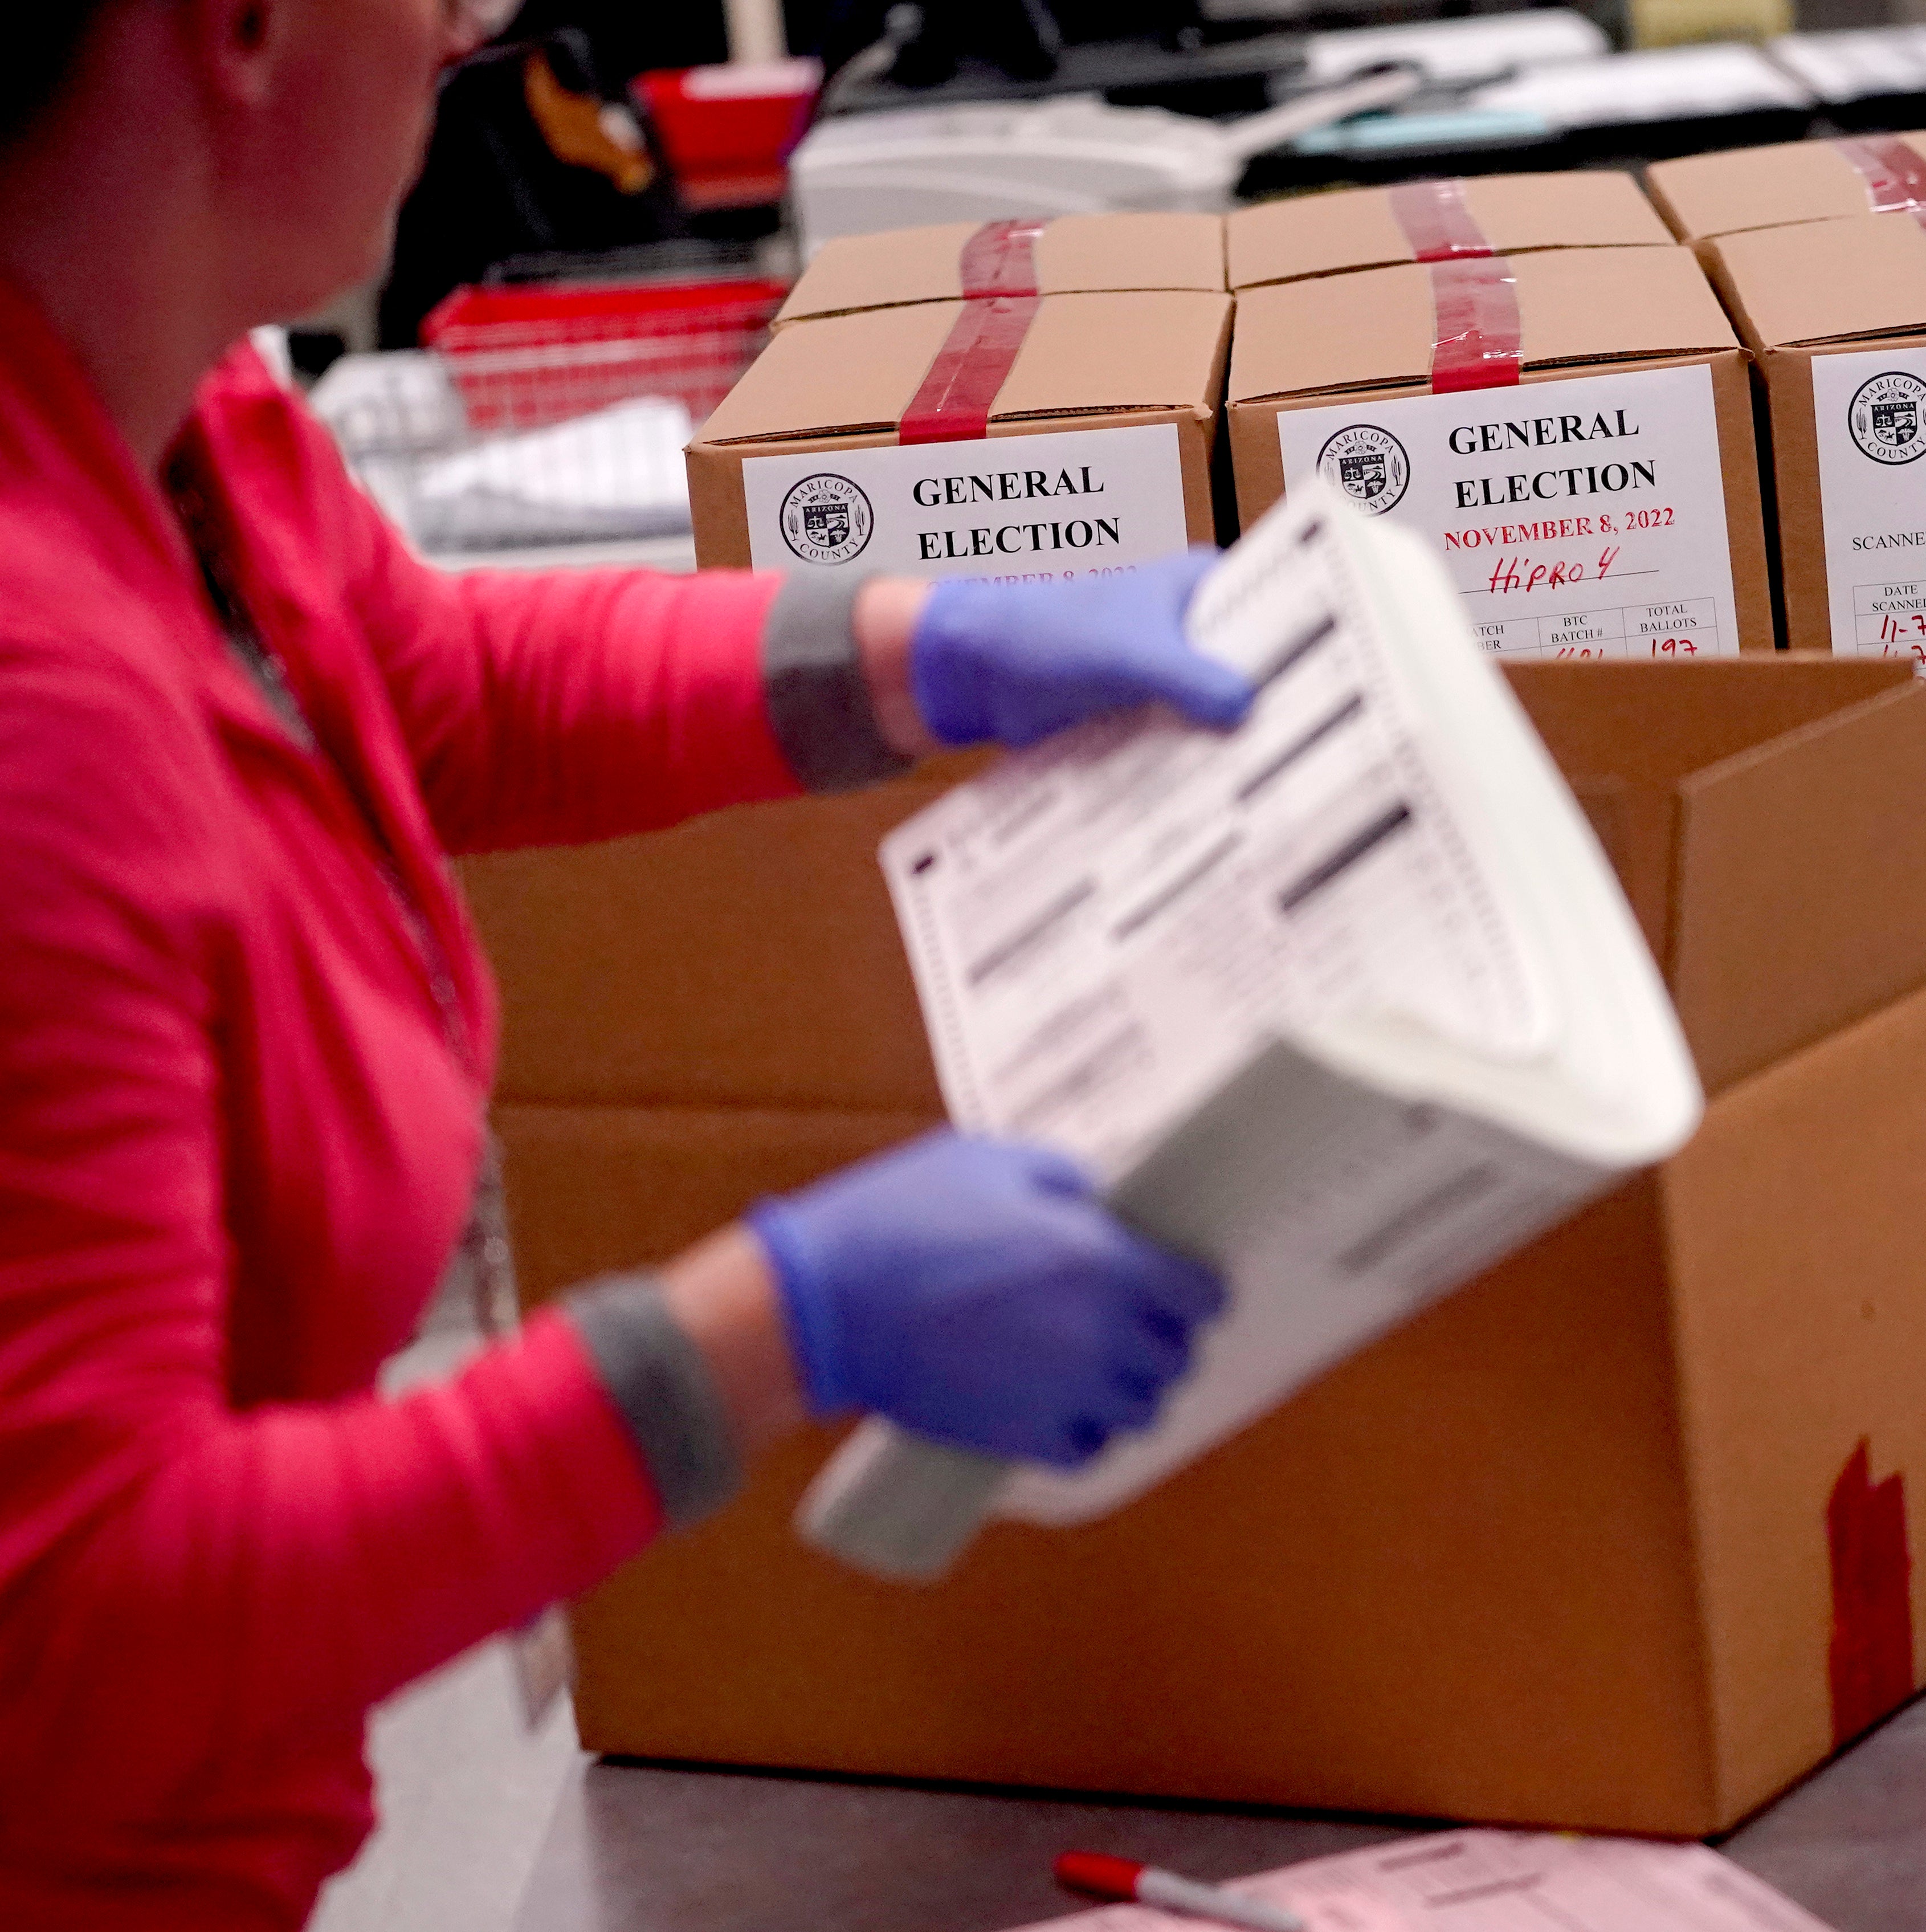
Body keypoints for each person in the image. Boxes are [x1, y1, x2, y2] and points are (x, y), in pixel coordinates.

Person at [0, 3, 1251, 1925]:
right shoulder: (33, 710)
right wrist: (779, 1327)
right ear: (237, 30)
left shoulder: (175, 416)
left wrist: (932, 648)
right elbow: (92, 1626)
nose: (470, 26)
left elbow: (438, 693)